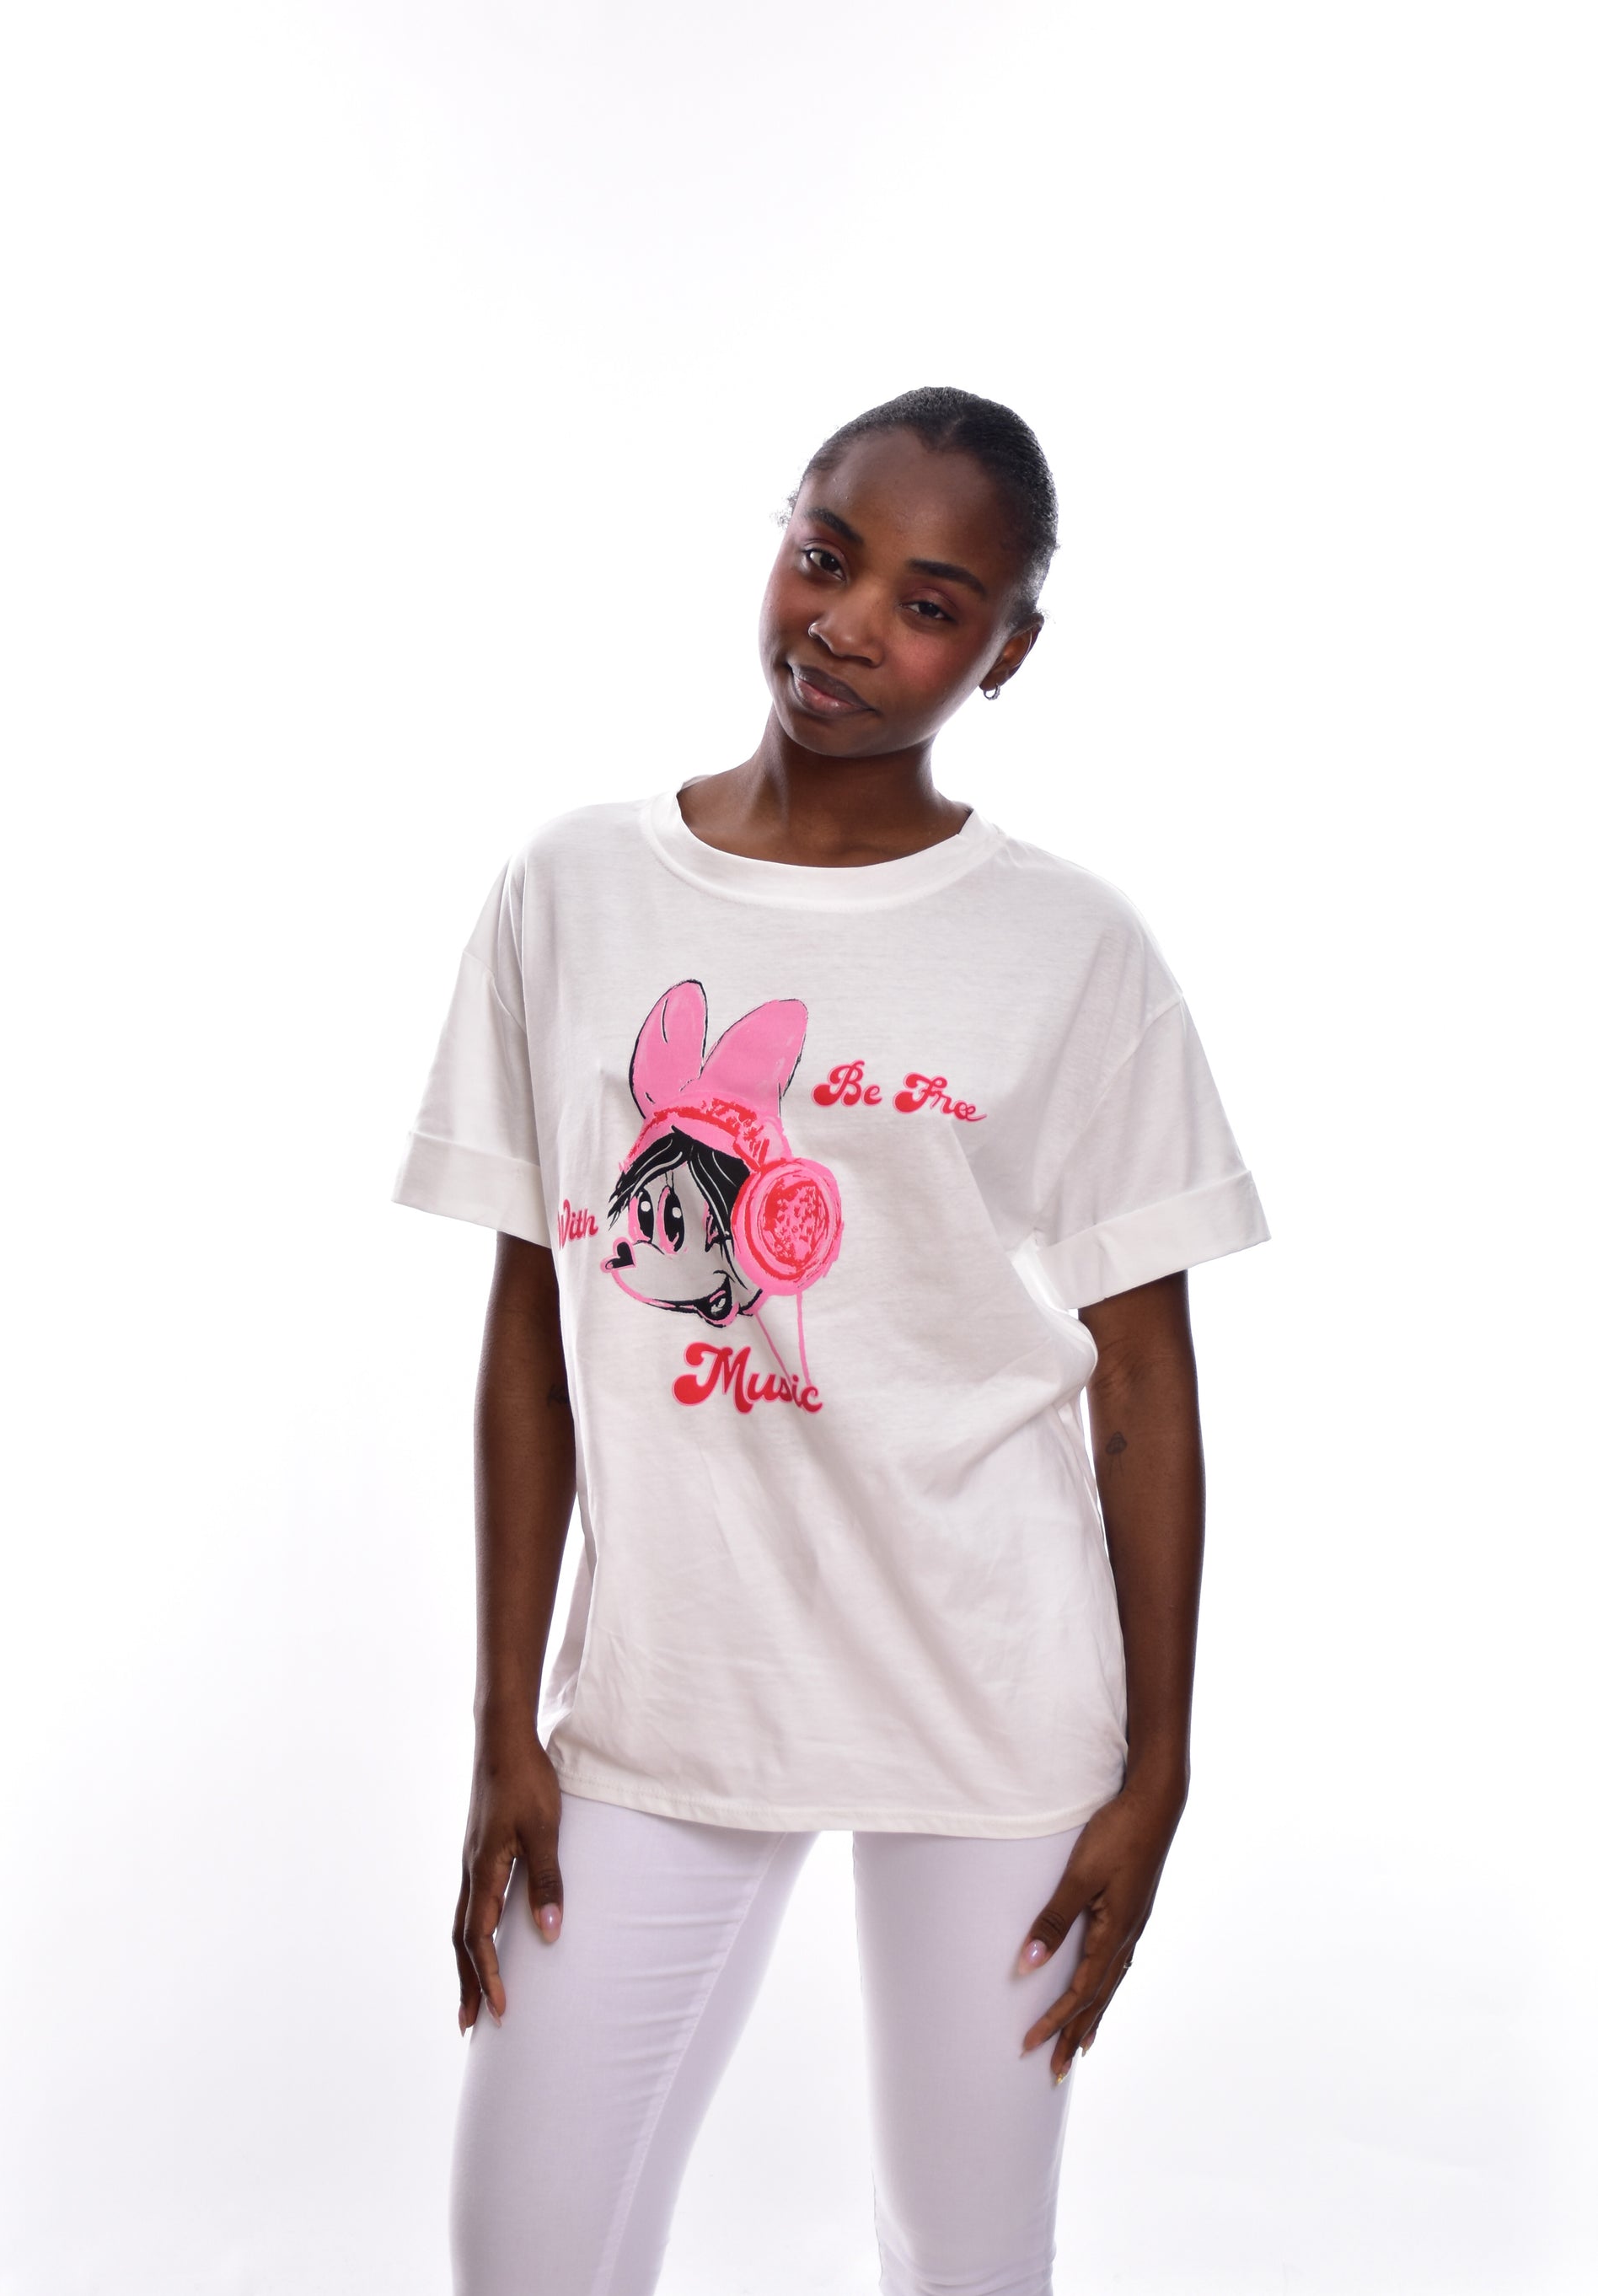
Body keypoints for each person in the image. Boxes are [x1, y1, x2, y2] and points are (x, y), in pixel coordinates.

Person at [392, 384, 1269, 2296]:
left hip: (993, 1689)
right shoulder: (572, 889)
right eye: (824, 555)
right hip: (663, 1693)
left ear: (1008, 650)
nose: (850, 623)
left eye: (931, 604)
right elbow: (536, 1323)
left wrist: (1160, 1767)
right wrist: (502, 1728)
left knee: (965, 2258)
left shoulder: (1071, 946)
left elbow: (1142, 1382)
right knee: (521, 2257)